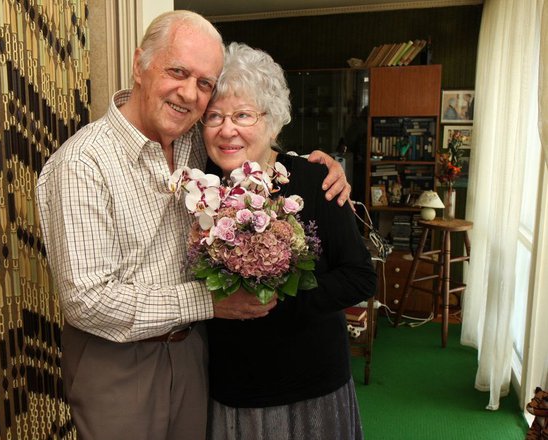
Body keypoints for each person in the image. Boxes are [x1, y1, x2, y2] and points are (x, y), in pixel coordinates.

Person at [35, 10, 351, 440]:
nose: (189, 94)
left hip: (194, 355)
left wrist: (316, 164)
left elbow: (251, 140)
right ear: (139, 65)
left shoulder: (191, 144)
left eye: (204, 83)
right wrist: (207, 303)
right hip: (119, 361)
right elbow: (88, 301)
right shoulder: (81, 164)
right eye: (177, 72)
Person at [202, 42, 377, 440]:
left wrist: (275, 296)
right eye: (214, 116)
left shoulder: (317, 181)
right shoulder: (197, 186)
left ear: (274, 122)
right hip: (233, 386)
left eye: (243, 114)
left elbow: (360, 277)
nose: (227, 129)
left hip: (312, 384)